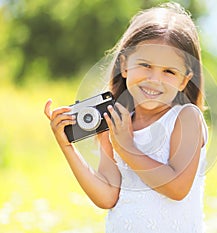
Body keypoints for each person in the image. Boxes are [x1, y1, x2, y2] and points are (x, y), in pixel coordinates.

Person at [44, 2, 208, 233]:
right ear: (124, 65)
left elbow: (178, 187)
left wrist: (126, 148)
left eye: (169, 71)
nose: (154, 79)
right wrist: (67, 147)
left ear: (184, 80)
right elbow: (108, 196)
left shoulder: (185, 118)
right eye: (145, 65)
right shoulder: (117, 120)